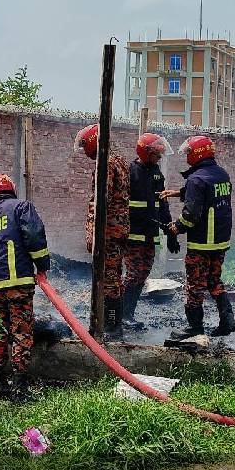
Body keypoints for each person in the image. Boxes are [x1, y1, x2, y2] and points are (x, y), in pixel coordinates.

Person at [0, 173, 50, 402]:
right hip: (18, 283)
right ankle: (20, 390)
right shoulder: (21, 207)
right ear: (11, 188)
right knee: (21, 333)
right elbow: (35, 238)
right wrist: (42, 266)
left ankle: (1, 387)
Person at [162, 135, 235, 339]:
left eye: (188, 153)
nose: (186, 156)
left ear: (197, 154)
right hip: (220, 241)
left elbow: (191, 215)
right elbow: (207, 195)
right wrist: (178, 193)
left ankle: (195, 327)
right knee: (214, 280)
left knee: (195, 286)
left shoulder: (196, 179)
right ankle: (228, 321)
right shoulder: (222, 174)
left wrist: (176, 228)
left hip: (202, 243)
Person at [75, 123, 130, 339]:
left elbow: (100, 202)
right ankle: (113, 323)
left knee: (108, 278)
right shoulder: (119, 160)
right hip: (119, 228)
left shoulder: (105, 164)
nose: (84, 151)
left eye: (85, 146)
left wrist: (91, 232)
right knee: (114, 275)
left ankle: (111, 326)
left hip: (108, 230)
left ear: (93, 143)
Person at [122, 132, 179, 331]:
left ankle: (128, 314)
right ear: (145, 153)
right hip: (133, 234)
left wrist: (170, 233)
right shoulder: (130, 172)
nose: (159, 158)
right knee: (134, 274)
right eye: (156, 154)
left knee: (143, 273)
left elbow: (162, 205)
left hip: (150, 234)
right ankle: (122, 315)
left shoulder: (156, 173)